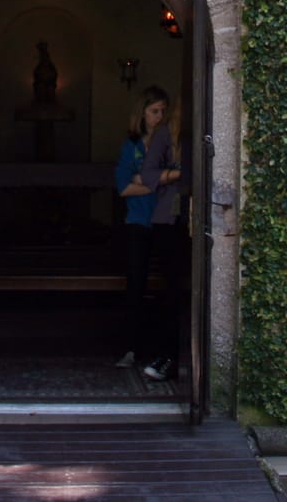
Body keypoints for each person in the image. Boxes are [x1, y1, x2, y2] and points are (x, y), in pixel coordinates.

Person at [113, 86, 182, 379]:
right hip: (139, 221)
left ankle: (163, 350)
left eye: (164, 111)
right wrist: (160, 181)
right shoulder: (132, 146)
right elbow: (124, 187)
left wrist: (151, 179)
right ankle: (131, 347)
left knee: (168, 286)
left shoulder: (172, 144)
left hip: (166, 221)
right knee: (136, 283)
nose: (160, 116)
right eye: (155, 111)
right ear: (142, 113)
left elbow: (182, 177)